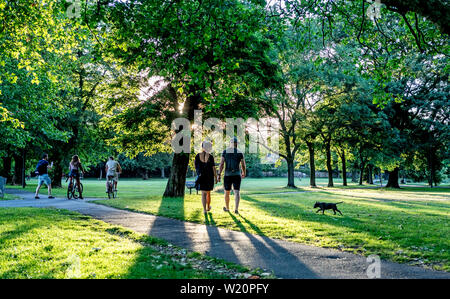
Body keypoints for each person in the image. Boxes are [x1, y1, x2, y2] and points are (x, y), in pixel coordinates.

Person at [218, 137, 246, 214]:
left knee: (227, 192)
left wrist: (219, 174)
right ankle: (236, 209)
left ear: (230, 143)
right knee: (236, 191)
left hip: (227, 175)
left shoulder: (225, 152)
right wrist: (244, 172)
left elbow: (221, 164)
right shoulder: (239, 152)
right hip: (237, 174)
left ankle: (227, 208)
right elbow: (243, 164)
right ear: (237, 144)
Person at [195, 141, 218, 214]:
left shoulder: (197, 156)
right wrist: (215, 177)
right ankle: (208, 207)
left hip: (201, 177)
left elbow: (196, 167)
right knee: (208, 193)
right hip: (209, 177)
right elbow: (213, 168)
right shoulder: (210, 156)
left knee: (203, 194)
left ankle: (205, 210)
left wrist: (199, 174)